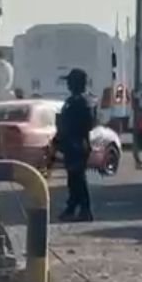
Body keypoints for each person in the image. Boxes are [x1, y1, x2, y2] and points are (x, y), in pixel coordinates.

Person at [56, 68, 96, 222]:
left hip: (77, 144)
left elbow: (85, 124)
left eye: (70, 82)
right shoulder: (75, 101)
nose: (68, 85)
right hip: (72, 143)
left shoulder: (80, 102)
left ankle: (84, 209)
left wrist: (73, 139)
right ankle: (72, 208)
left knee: (78, 179)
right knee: (73, 179)